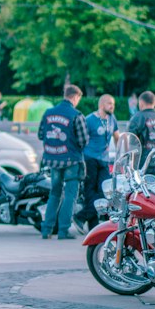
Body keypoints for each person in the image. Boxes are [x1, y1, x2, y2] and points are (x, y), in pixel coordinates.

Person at [37, 83, 88, 240]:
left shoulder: (48, 113)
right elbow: (83, 140)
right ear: (75, 97)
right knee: (70, 195)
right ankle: (63, 231)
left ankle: (46, 229)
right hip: (71, 161)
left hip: (52, 161)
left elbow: (40, 135)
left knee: (54, 194)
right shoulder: (76, 115)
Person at [78, 93, 119, 230]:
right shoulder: (89, 119)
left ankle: (81, 216)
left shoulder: (112, 119)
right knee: (90, 191)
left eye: (113, 104)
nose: (112, 106)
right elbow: (81, 139)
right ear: (102, 105)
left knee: (104, 191)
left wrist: (120, 151)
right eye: (109, 103)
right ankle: (93, 227)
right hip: (90, 158)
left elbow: (117, 136)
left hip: (104, 160)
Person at [127, 90, 155, 169]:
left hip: (145, 166)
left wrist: (129, 165)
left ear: (141, 103)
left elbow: (132, 144)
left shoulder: (137, 118)